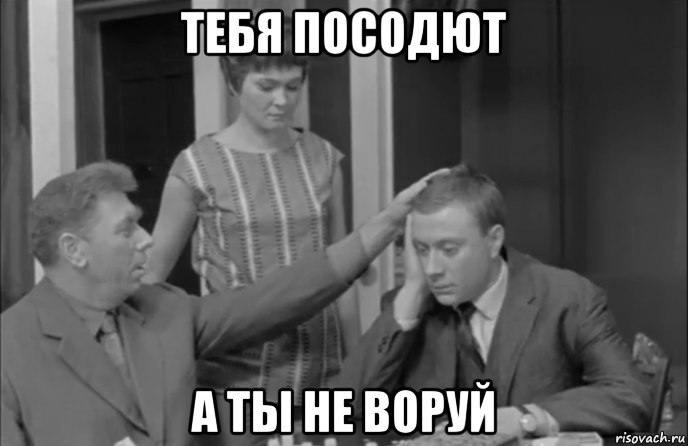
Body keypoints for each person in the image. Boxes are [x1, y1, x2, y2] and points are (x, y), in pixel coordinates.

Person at [0, 161, 440, 446]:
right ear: (74, 250)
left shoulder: (164, 309)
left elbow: (272, 301)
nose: (146, 239)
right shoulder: (9, 351)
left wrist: (386, 226)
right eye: (126, 229)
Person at [144, 19, 359, 443]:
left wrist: (356, 368)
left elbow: (345, 269)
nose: (282, 100)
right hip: (236, 377)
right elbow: (151, 279)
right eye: (266, 86)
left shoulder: (324, 158)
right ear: (234, 83)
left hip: (323, 369)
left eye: (293, 86)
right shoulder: (195, 167)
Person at [335, 164, 652, 438]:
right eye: (422, 249)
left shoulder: (567, 297)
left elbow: (630, 396)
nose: (431, 269)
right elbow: (342, 410)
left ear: (494, 240)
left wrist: (526, 418)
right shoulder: (409, 307)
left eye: (448, 250)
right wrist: (412, 292)